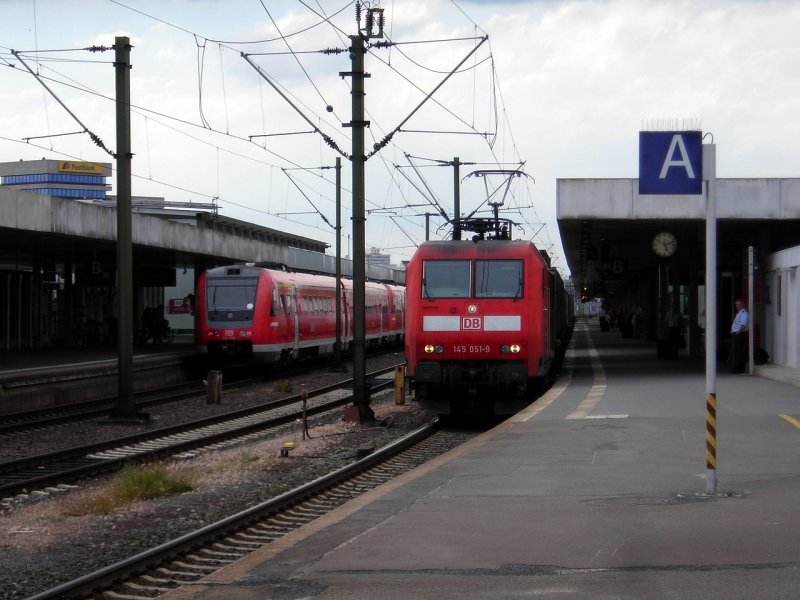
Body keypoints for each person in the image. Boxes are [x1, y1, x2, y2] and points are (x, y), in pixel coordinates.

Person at [730, 299, 749, 373]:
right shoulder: (739, 313)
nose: (737, 306)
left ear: (742, 305)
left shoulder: (743, 314)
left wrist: (737, 332)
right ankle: (738, 368)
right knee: (737, 351)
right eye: (736, 304)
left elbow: (743, 325)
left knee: (739, 352)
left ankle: (738, 369)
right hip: (737, 334)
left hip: (740, 334)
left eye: (739, 304)